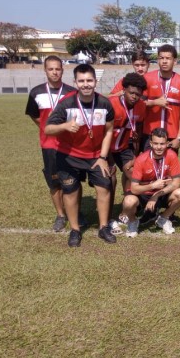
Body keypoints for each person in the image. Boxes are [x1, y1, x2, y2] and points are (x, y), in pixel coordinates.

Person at [45, 64, 116, 247]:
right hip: (69, 156)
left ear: (95, 81)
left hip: (95, 156)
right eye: (82, 81)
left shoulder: (105, 103)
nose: (86, 84)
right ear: (75, 82)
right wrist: (65, 126)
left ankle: (103, 227)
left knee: (104, 187)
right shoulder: (66, 103)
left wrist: (103, 156)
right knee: (70, 192)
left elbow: (109, 131)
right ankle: (75, 230)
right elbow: (48, 128)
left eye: (89, 80)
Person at [25, 55, 78, 231]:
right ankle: (61, 215)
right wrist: (47, 127)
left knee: (73, 180)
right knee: (54, 182)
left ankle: (76, 213)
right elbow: (34, 114)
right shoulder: (36, 92)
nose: (54, 72)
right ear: (45, 70)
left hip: (69, 145)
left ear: (62, 70)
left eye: (57, 69)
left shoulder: (72, 92)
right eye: (51, 69)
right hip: (48, 145)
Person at [118, 127, 180, 237]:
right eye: (156, 143)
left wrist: (156, 195)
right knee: (128, 202)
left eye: (162, 144)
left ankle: (163, 218)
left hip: (161, 193)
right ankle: (133, 221)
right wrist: (152, 186)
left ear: (167, 143)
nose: (159, 147)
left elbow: (176, 183)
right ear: (150, 143)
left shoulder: (172, 156)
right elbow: (134, 188)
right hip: (143, 195)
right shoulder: (141, 159)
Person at [107, 73, 146, 234]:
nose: (134, 97)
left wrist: (135, 156)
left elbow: (139, 132)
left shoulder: (141, 106)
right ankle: (108, 218)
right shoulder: (110, 104)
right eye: (131, 93)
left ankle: (126, 210)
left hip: (124, 147)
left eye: (138, 94)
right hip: (106, 148)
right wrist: (107, 160)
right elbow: (102, 134)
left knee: (135, 174)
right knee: (110, 179)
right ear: (123, 90)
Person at [142, 44, 180, 153]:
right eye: (161, 58)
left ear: (175, 61)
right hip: (150, 133)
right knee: (149, 167)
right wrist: (154, 102)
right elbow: (139, 104)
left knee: (169, 168)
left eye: (168, 58)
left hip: (171, 135)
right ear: (157, 60)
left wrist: (179, 137)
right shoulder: (147, 79)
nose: (164, 61)